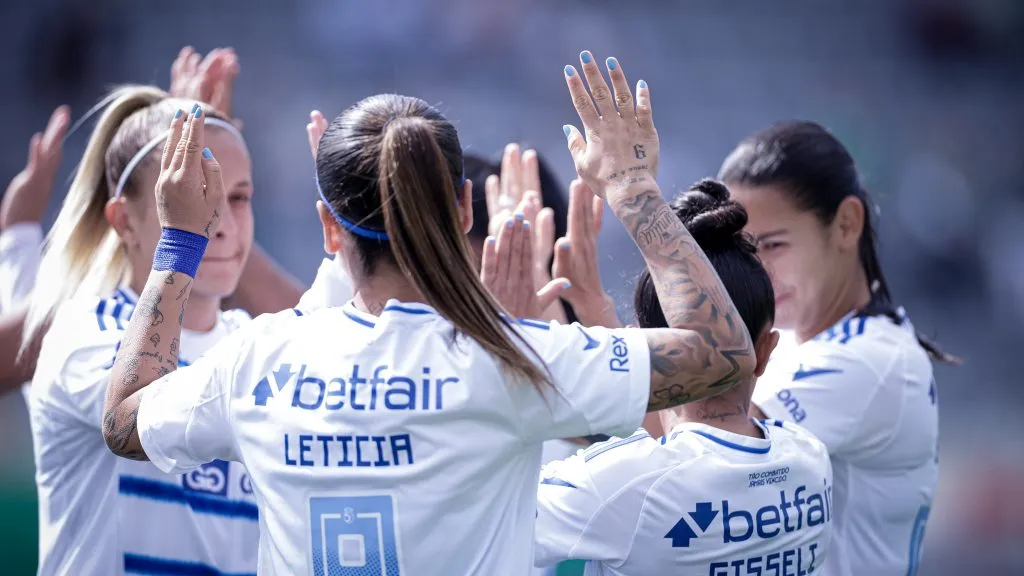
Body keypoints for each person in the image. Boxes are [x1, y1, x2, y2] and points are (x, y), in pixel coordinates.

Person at [102, 51, 756, 575]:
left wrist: (180, 243)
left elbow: (125, 418)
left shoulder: (258, 361)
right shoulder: (516, 360)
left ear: (330, 231)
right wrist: (635, 191)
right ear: (466, 212)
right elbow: (725, 357)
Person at [534, 177, 833, 574]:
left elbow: (479, 518)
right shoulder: (811, 461)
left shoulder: (617, 485)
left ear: (649, 346)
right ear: (766, 351)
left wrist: (505, 340)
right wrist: (596, 309)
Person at [22, 87, 260, 575]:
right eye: (194, 200)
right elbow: (137, 418)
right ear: (123, 221)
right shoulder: (85, 333)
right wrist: (180, 245)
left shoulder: (255, 341)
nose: (219, 224)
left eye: (238, 198)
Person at [718, 120, 955, 576]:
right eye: (745, 249)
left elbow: (700, 458)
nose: (757, 270)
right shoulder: (786, 340)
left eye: (774, 244)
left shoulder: (871, 361)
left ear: (846, 225)